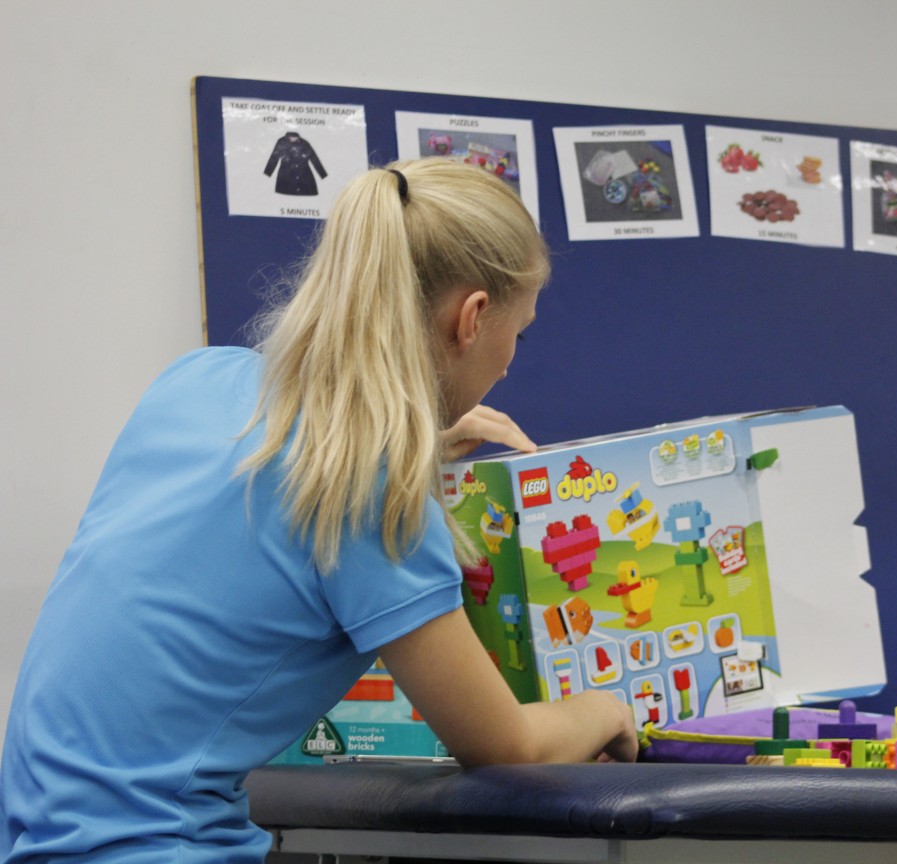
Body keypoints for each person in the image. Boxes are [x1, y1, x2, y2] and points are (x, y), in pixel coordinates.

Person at [0, 158, 637, 863]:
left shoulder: (193, 382)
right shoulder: (375, 494)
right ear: (473, 317)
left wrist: (414, 454)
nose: (510, 362)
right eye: (520, 332)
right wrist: (609, 709)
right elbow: (505, 745)